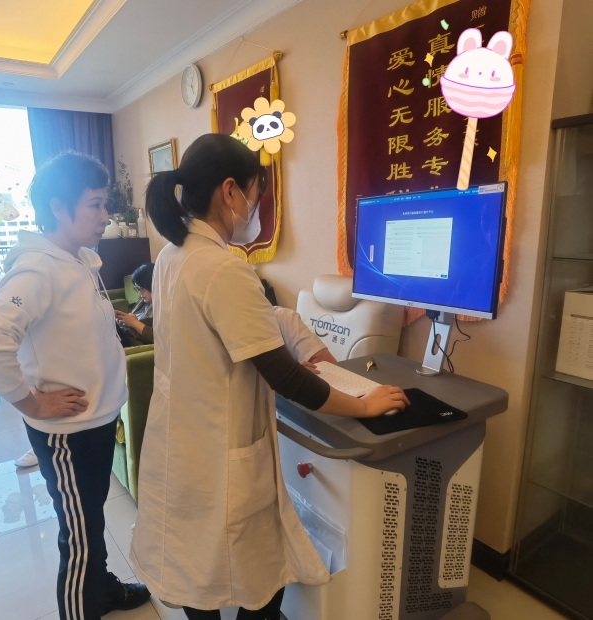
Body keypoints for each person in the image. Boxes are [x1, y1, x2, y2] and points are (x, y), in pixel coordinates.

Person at [129, 134, 409, 619]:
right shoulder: (223, 268)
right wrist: (364, 404)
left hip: (184, 445)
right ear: (230, 191)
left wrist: (304, 351)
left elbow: (251, 324)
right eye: (257, 195)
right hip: (220, 456)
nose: (256, 209)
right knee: (262, 579)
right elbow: (288, 379)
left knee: (198, 573)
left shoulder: (171, 258)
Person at [0, 152, 151, 620]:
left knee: (90, 523)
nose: (104, 215)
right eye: (94, 204)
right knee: (79, 537)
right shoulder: (38, 268)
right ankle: (81, 608)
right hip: (69, 435)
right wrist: (31, 402)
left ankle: (102, 590)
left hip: (95, 421)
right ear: (57, 207)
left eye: (104, 203)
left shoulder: (78, 261)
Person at [115, 263, 155, 347]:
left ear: (152, 284)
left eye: (141, 288)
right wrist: (123, 321)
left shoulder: (162, 308)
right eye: (137, 289)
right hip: (124, 335)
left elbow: (158, 337)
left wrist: (134, 323)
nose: (139, 293)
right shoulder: (143, 302)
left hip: (131, 342)